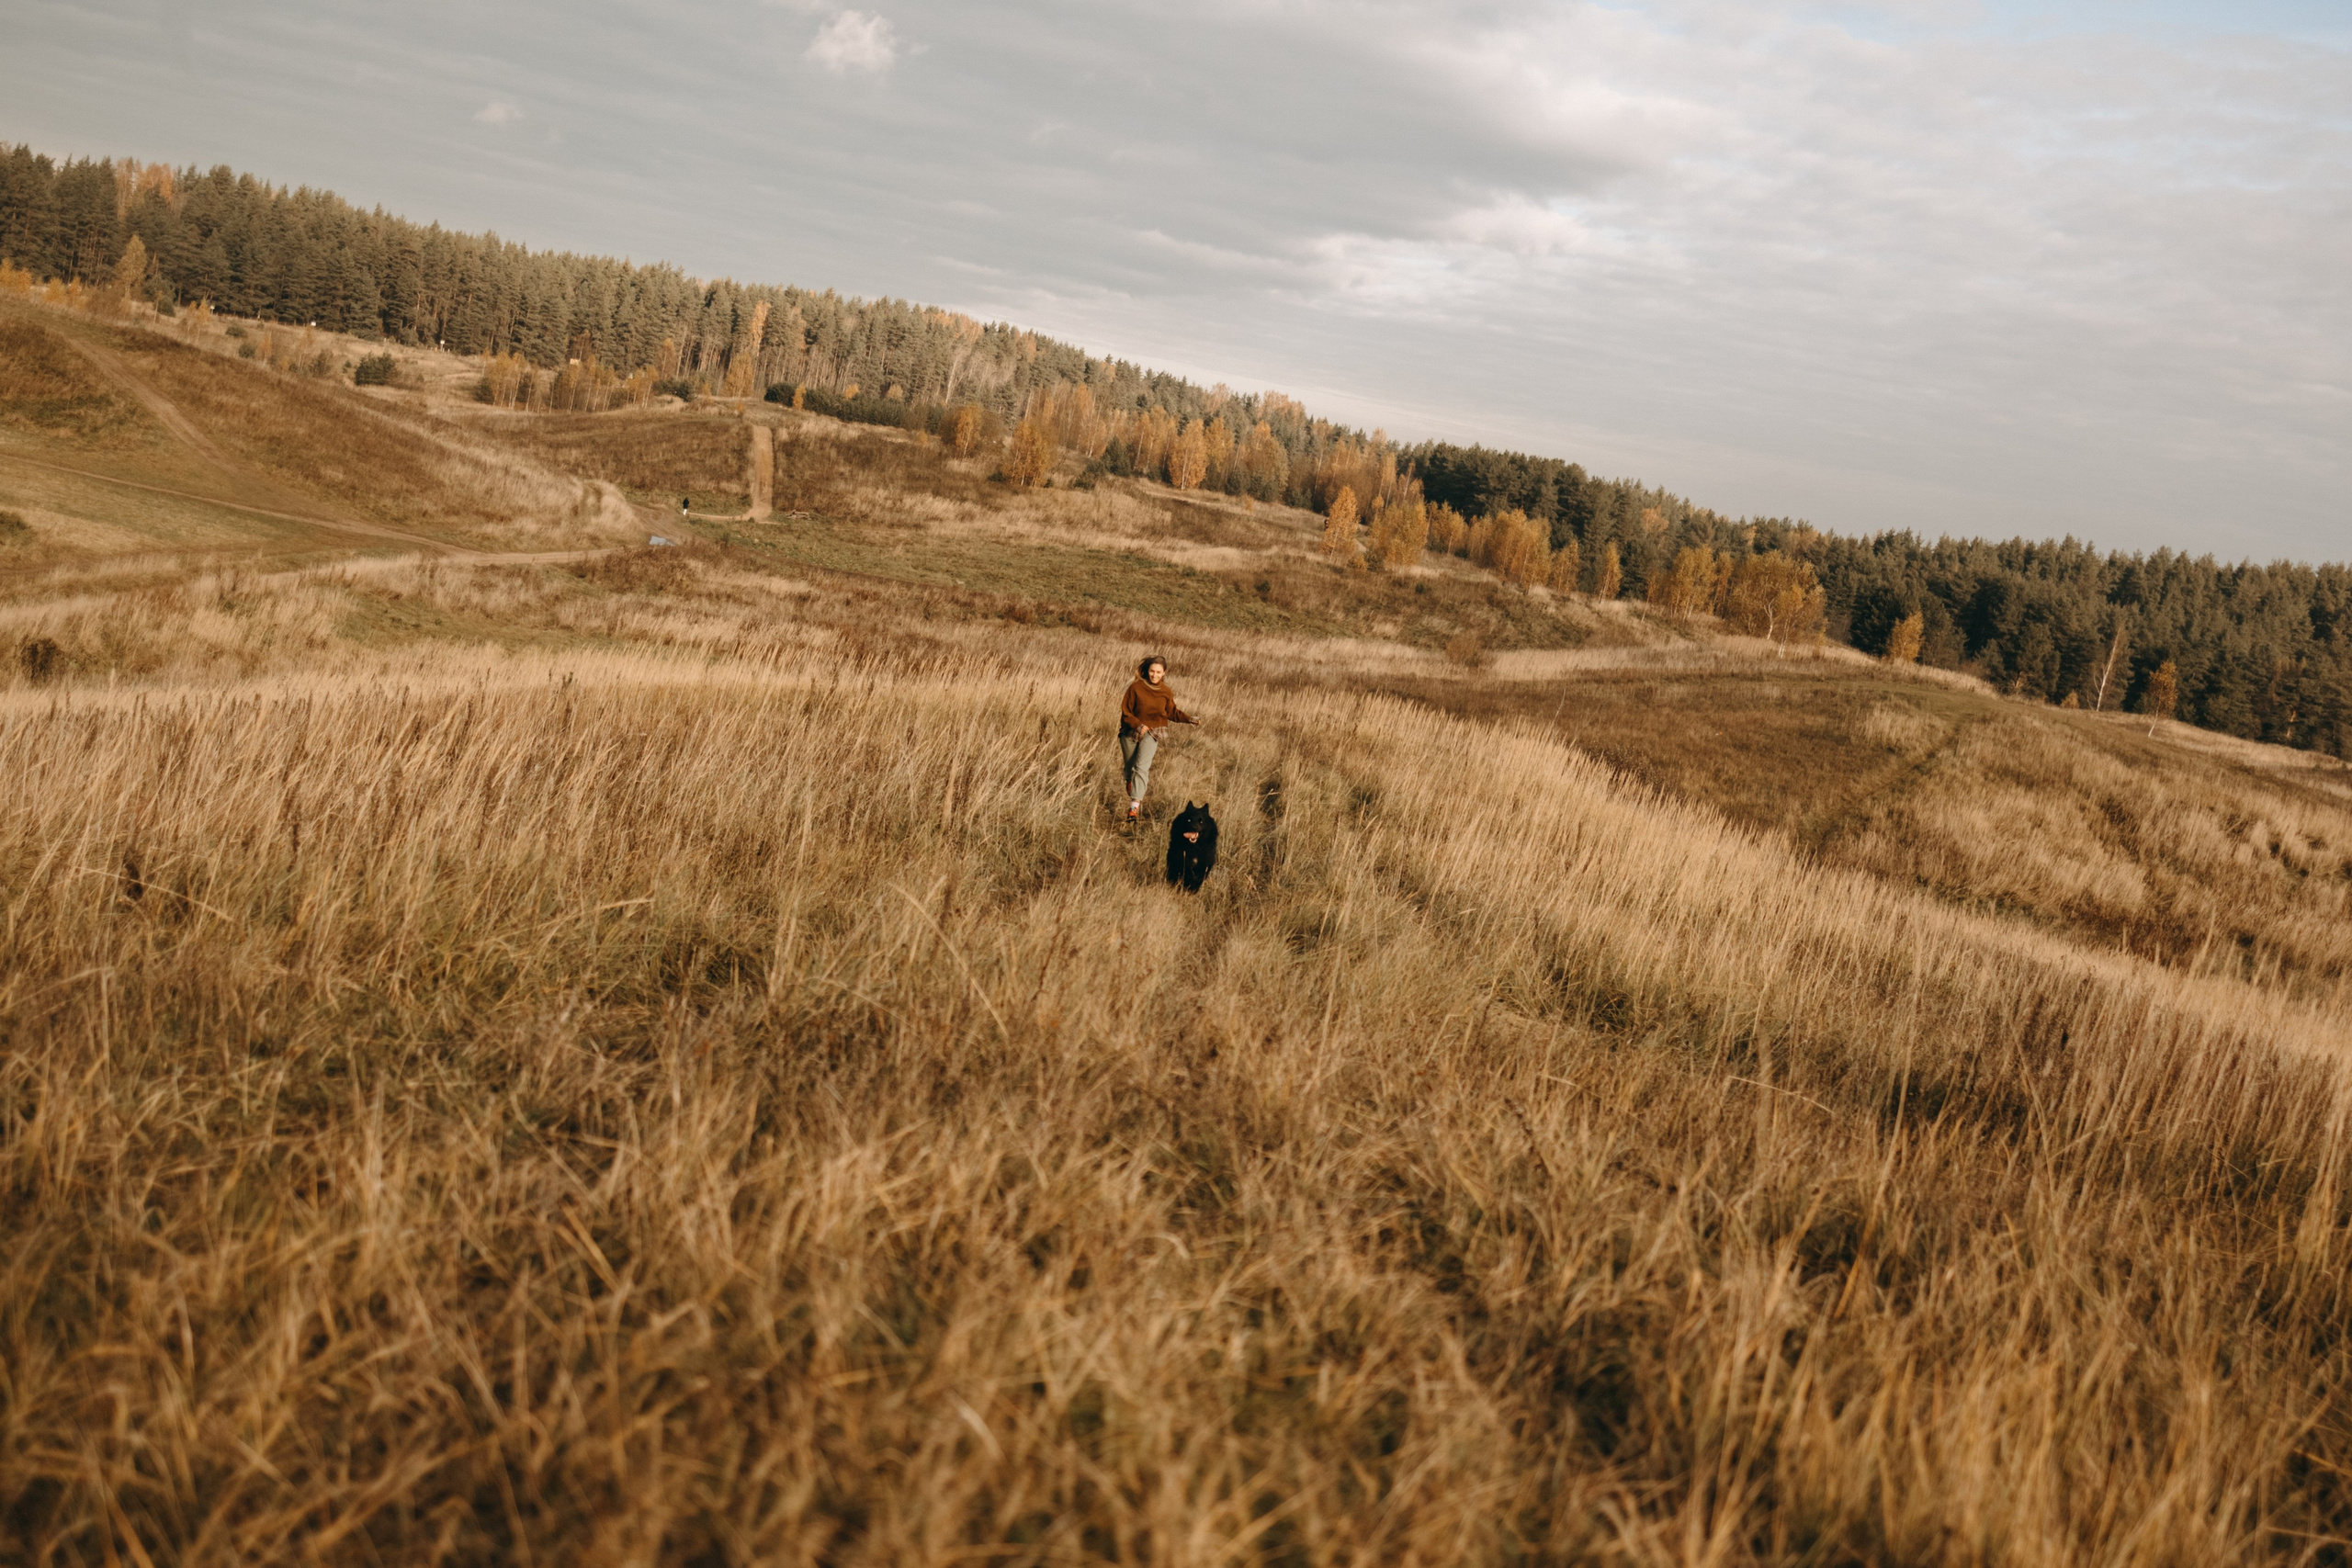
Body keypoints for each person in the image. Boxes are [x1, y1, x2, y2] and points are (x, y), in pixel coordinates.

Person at [1118, 655, 1198, 820]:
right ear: (1147, 671)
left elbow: (1172, 712)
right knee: (1130, 767)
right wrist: (1138, 725)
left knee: (1141, 767)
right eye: (1152, 671)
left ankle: (1134, 808)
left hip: (1154, 732)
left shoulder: (1166, 692)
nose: (1154, 675)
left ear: (1164, 673)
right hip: (1131, 731)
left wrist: (1189, 718)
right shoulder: (1136, 688)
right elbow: (1126, 712)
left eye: (1158, 672)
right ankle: (1129, 779)